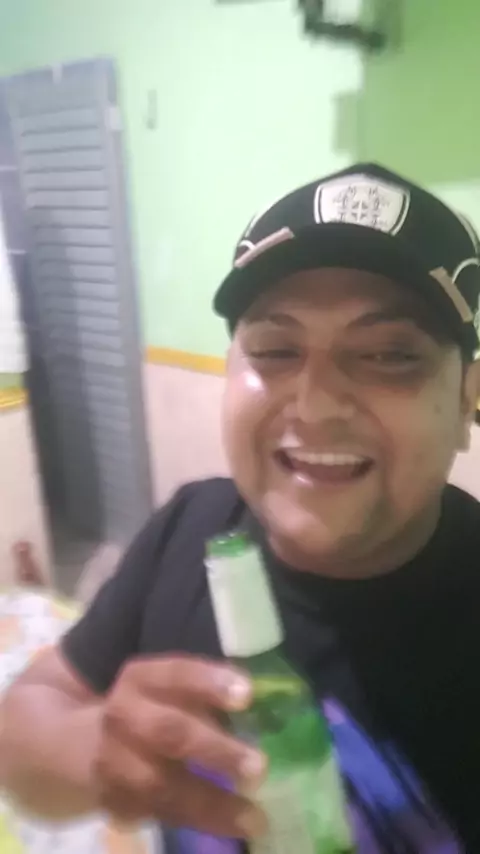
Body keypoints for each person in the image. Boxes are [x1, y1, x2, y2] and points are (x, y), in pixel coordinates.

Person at [2, 163, 480, 853]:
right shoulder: (191, 528)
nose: (315, 406)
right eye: (275, 349)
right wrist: (92, 748)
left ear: (467, 399)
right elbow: (28, 724)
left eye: (387, 355)